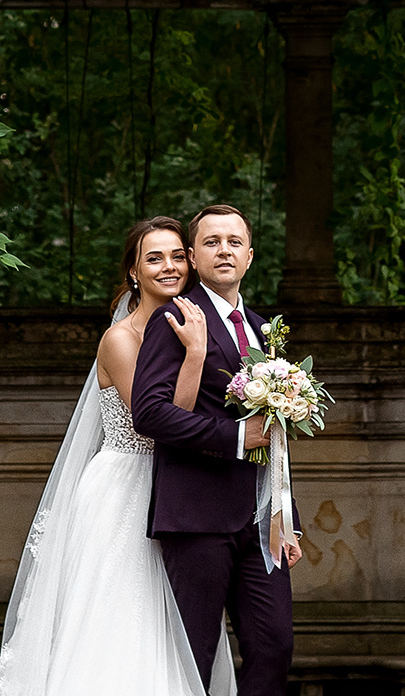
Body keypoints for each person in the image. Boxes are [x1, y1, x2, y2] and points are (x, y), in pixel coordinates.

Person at [0, 217, 236, 696]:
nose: (170, 266)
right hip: (125, 488)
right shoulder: (122, 339)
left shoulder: (195, 325)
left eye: (178, 255)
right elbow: (163, 423)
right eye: (154, 258)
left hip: (179, 488)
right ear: (134, 272)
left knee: (176, 622)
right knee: (120, 618)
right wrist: (196, 356)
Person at [130, 205, 299, 696]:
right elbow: (151, 414)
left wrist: (288, 515)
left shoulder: (268, 331)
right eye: (211, 242)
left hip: (260, 520)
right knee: (194, 656)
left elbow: (278, 431)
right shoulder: (175, 317)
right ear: (195, 258)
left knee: (274, 645)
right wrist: (236, 439)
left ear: (249, 256)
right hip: (196, 515)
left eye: (233, 242)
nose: (223, 250)